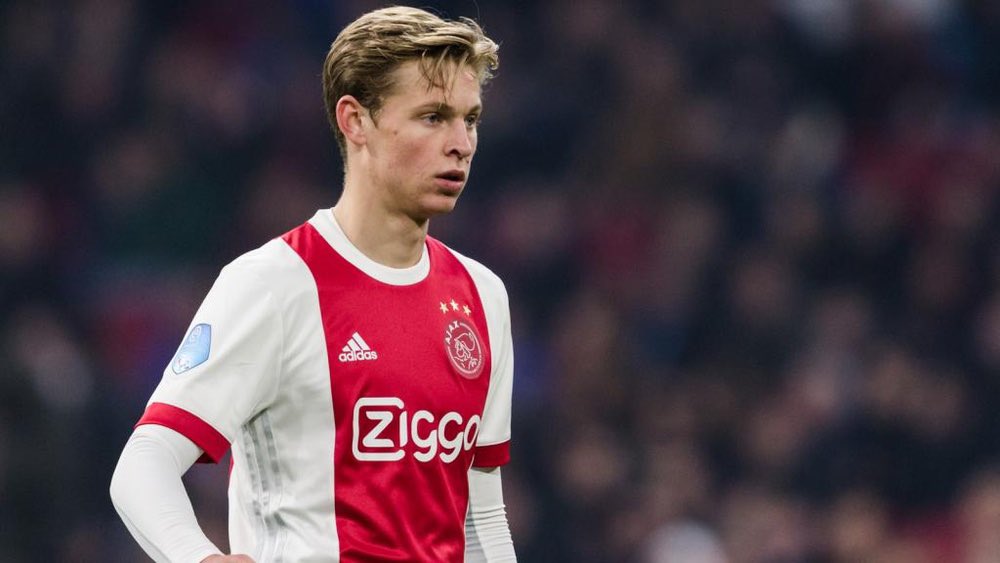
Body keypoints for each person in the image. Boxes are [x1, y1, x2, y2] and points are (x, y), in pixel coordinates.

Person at [110, 6, 516, 562]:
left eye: (470, 119)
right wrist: (199, 558)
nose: (461, 143)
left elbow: (481, 518)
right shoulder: (272, 285)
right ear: (355, 121)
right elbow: (144, 464)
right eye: (432, 117)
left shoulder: (483, 296)